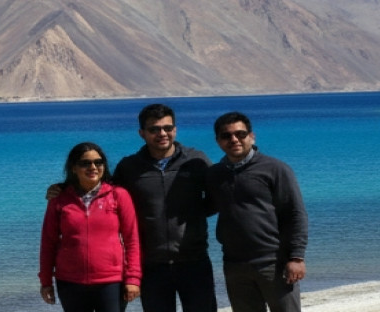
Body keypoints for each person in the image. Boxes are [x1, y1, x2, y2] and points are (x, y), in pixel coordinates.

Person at [112, 104, 217, 312]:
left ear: (175, 130)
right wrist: (64, 188)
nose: (162, 134)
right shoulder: (129, 167)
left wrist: (193, 214)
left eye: (167, 128)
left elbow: (218, 195)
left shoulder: (196, 161)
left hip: (194, 261)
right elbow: (106, 198)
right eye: (154, 129)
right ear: (142, 133)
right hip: (151, 265)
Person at [205, 112, 308, 312]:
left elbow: (295, 213)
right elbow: (208, 207)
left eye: (240, 134)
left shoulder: (275, 169)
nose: (234, 139)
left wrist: (296, 258)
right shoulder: (215, 174)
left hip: (274, 262)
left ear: (252, 136)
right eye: (226, 136)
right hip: (234, 264)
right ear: (218, 141)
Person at [40, 142, 142, 312]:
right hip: (70, 282)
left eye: (98, 162)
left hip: (111, 281)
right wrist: (45, 281)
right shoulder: (59, 199)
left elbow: (132, 240)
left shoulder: (118, 195)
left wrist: (133, 278)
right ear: (73, 168)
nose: (93, 167)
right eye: (85, 163)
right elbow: (48, 243)